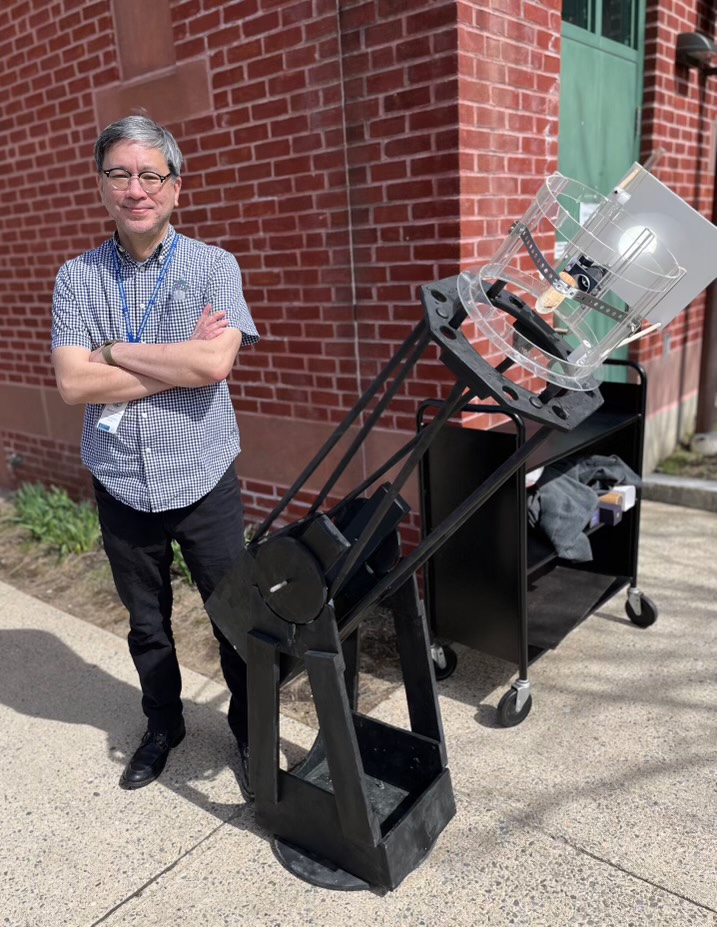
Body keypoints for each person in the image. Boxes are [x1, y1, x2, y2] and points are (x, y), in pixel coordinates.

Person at [51, 115, 259, 795]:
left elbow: (217, 363)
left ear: (175, 187)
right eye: (119, 173)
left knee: (237, 619)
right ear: (101, 185)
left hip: (202, 478)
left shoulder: (213, 267)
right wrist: (182, 362)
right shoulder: (76, 279)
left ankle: (253, 734)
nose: (134, 188)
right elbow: (73, 382)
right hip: (119, 482)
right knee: (147, 626)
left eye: (150, 174)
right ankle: (162, 724)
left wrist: (110, 349)